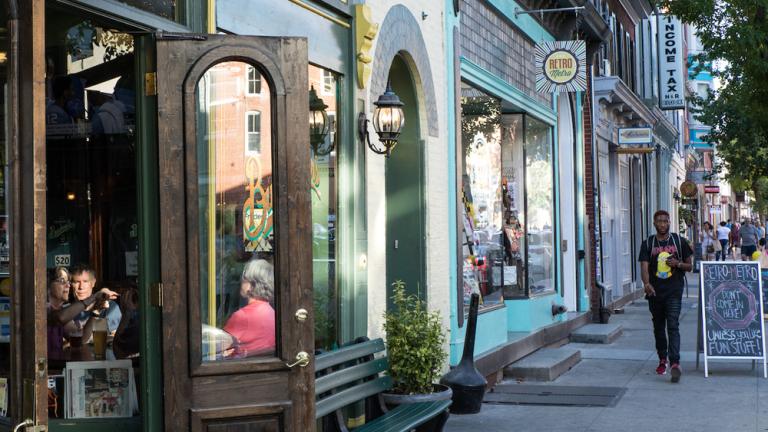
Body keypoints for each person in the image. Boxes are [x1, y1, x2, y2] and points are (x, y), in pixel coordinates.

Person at [639, 210, 693, 383]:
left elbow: (690, 266)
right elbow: (644, 266)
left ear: (669, 222)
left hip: (674, 291)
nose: (662, 224)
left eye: (665, 221)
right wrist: (646, 284)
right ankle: (663, 359)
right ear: (654, 223)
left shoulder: (679, 241)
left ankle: (675, 363)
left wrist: (677, 263)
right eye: (659, 221)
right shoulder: (648, 243)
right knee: (658, 327)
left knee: (673, 326)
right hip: (655, 293)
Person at [47, 267, 117, 359]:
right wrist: (94, 297)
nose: (68, 285)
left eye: (68, 282)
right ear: (47, 284)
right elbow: (60, 318)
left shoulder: (59, 310)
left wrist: (95, 312)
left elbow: (82, 339)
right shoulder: (42, 308)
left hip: (57, 368)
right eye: (62, 281)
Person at [223, 259, 276, 358]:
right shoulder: (272, 312)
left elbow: (219, 346)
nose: (240, 283)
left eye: (243, 280)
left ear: (251, 286)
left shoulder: (242, 316)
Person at [66, 264, 122, 344]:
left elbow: (113, 338)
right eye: (77, 282)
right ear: (71, 284)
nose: (81, 287)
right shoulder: (67, 311)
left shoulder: (110, 307)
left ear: (93, 283)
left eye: (85, 281)